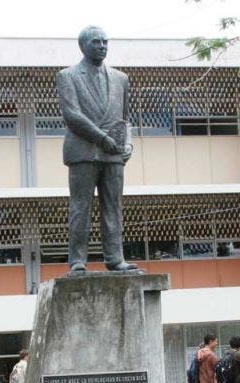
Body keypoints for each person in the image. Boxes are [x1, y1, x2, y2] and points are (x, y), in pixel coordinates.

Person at [58, 25, 137, 273]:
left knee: (113, 207)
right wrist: (103, 138)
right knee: (80, 208)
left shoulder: (120, 78)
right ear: (83, 46)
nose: (102, 46)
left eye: (105, 41)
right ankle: (78, 260)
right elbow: (72, 115)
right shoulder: (68, 76)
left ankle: (115, 258)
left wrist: (127, 143)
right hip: (83, 151)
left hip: (113, 154)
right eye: (96, 42)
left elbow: (125, 118)